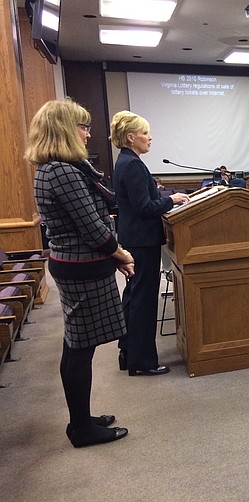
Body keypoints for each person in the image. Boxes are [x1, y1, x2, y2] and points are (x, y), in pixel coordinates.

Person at [26, 99, 133, 448]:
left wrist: (113, 254)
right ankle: (81, 429)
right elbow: (92, 228)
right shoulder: (63, 171)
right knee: (80, 347)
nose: (88, 133)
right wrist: (120, 254)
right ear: (63, 130)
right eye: (82, 126)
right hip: (82, 268)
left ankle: (81, 419)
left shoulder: (54, 168)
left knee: (76, 346)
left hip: (74, 264)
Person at [111, 111, 190, 376]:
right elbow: (144, 207)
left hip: (134, 238)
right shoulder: (132, 164)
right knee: (143, 300)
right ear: (131, 137)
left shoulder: (125, 160)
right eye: (145, 133)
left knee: (134, 295)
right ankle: (142, 361)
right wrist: (171, 200)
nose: (150, 137)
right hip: (141, 240)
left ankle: (129, 352)